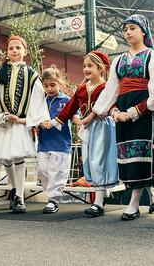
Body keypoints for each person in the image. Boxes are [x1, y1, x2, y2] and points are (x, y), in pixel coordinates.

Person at [93, 14, 154, 221]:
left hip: (144, 110)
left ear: (143, 31)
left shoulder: (151, 55)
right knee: (126, 156)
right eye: (125, 29)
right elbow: (111, 89)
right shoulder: (118, 60)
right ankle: (151, 192)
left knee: (141, 155)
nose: (128, 32)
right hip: (121, 110)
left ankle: (134, 203)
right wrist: (112, 111)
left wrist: (135, 111)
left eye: (132, 28)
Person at [0, 36, 50, 213]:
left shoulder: (32, 74)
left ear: (25, 51)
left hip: (19, 123)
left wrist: (32, 119)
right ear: (7, 52)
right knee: (6, 158)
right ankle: (14, 189)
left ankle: (20, 196)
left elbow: (38, 98)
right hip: (4, 121)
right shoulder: (0, 73)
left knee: (19, 157)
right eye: (11, 48)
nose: (14, 51)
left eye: (18, 48)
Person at [50, 51, 117, 217]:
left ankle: (99, 202)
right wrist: (57, 121)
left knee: (99, 161)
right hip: (86, 129)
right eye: (84, 66)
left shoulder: (107, 87)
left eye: (90, 66)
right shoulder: (81, 89)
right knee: (88, 160)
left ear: (101, 68)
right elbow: (70, 107)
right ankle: (102, 193)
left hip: (102, 127)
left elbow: (112, 105)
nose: (86, 69)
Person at [38, 66, 77, 214]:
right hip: (44, 143)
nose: (49, 88)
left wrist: (80, 122)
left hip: (60, 143)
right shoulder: (41, 100)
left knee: (57, 172)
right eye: (46, 85)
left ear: (59, 83)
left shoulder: (67, 100)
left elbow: (74, 115)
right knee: (42, 171)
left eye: (53, 85)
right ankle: (50, 195)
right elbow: (35, 116)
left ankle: (53, 199)